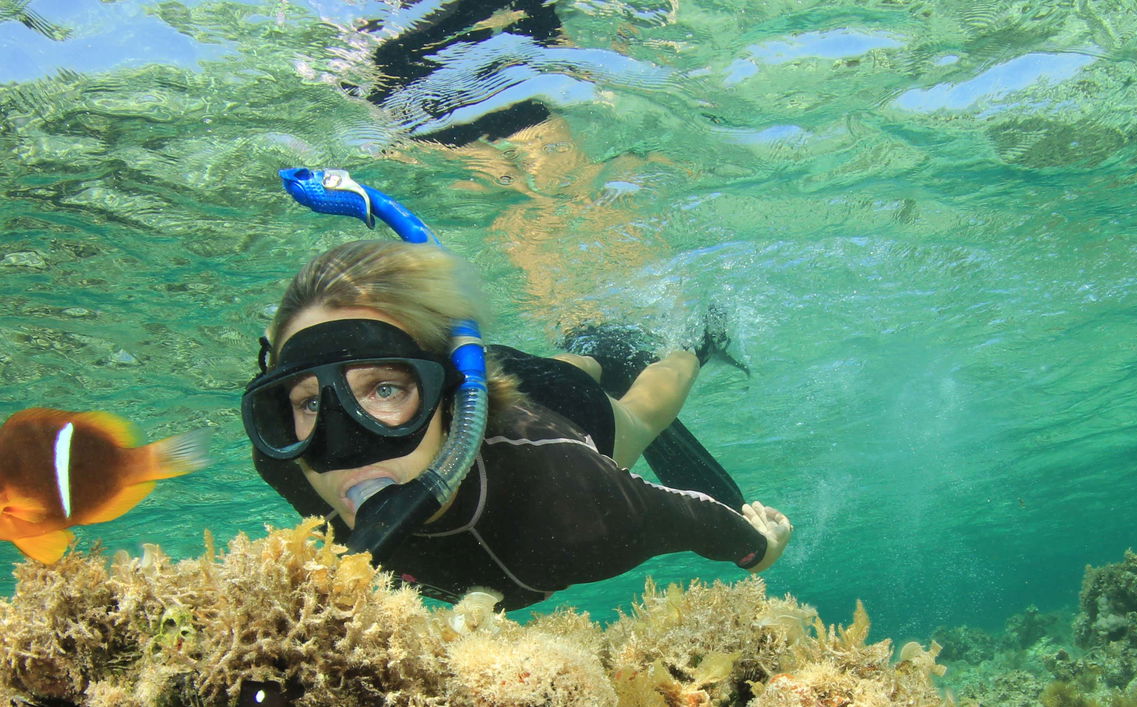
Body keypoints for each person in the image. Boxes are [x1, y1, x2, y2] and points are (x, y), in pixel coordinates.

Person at [244, 239, 791, 610]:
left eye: (385, 389)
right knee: (565, 365)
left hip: (565, 409)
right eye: (309, 402)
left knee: (643, 409)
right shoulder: (287, 454)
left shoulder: (565, 488)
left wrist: (763, 547)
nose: (341, 445)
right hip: (502, 371)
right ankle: (589, 352)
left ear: (452, 398)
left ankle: (695, 345)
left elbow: (698, 521)